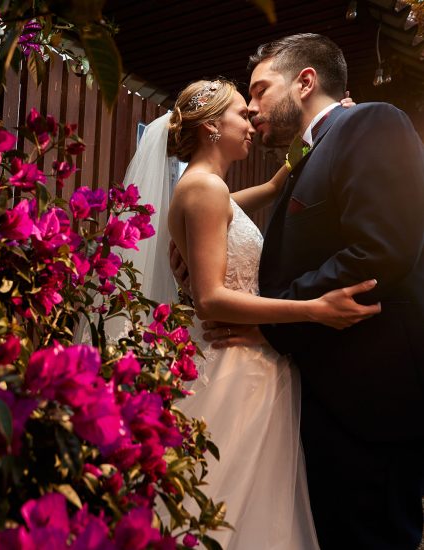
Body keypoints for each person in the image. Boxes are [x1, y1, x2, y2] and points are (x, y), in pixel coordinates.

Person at [185, 34, 424, 549]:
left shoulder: (370, 122)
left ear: (305, 81)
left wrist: (280, 316)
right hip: (319, 391)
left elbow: (380, 248)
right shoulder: (311, 154)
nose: (251, 107)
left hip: (370, 394)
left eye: (259, 90)